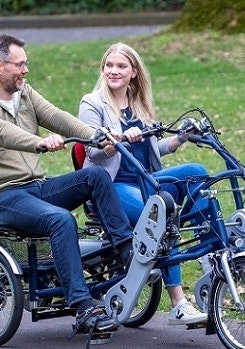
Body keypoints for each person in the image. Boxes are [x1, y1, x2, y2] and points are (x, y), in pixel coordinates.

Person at [0, 34, 134, 331]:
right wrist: (38, 143)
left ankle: (127, 251)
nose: (26, 70)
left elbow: (56, 116)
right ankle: (82, 305)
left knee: (94, 175)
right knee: (60, 220)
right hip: (1, 198)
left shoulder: (25, 93)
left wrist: (97, 134)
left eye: (26, 64)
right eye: (20, 64)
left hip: (35, 188)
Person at [79, 42, 208, 325]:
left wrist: (182, 138)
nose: (114, 71)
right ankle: (178, 303)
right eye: (109, 65)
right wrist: (120, 139)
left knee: (198, 172)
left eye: (121, 66)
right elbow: (93, 151)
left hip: (145, 179)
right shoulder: (92, 103)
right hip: (109, 185)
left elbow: (152, 150)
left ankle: (207, 254)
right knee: (163, 217)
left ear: (134, 72)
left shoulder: (140, 105)